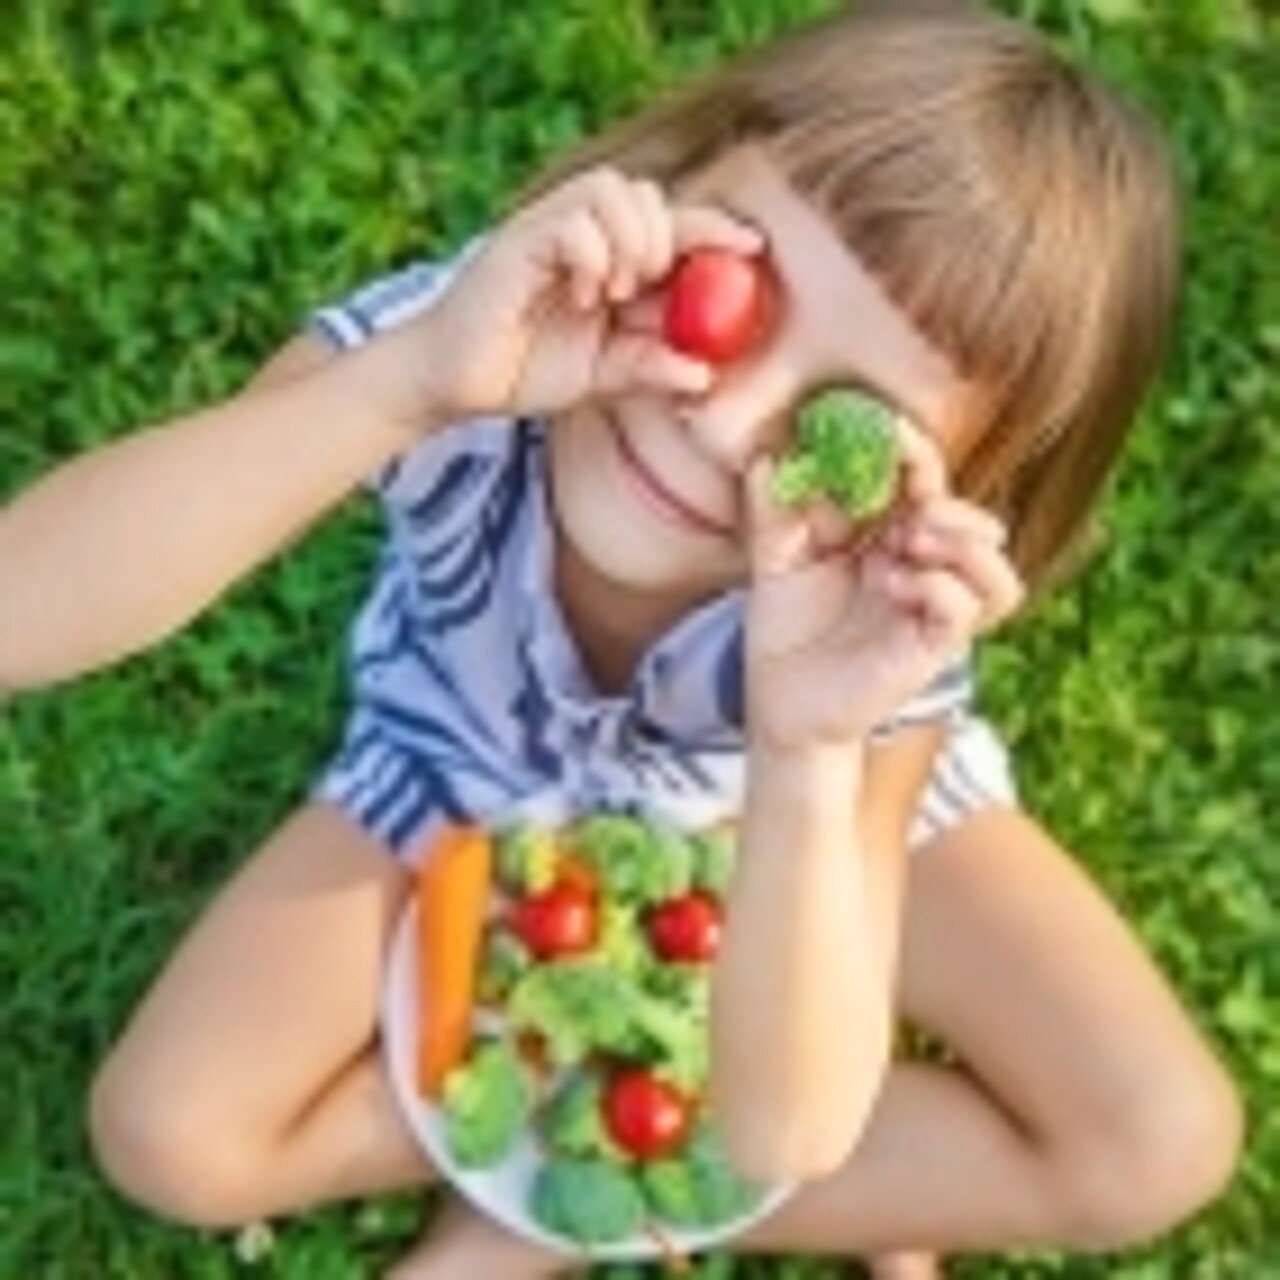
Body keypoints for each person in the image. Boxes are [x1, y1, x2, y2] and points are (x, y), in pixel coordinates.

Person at [1, 2, 1242, 1277]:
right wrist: (406, 383)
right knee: (170, 1134)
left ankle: (528, 1193)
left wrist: (806, 752)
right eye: (737, 291)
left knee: (1159, 1137)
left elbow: (784, 1127)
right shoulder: (472, 341)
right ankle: (540, 1148)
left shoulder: (868, 623)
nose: (719, 422)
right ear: (665, 183)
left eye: (845, 426)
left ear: (955, 513)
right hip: (457, 756)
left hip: (755, 805)